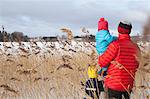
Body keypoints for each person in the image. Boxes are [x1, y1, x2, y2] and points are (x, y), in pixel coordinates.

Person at [98, 20, 140, 99]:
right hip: (128, 85)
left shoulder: (115, 45)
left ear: (118, 29)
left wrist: (101, 53)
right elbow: (136, 65)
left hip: (113, 85)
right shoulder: (136, 47)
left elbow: (102, 62)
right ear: (129, 31)